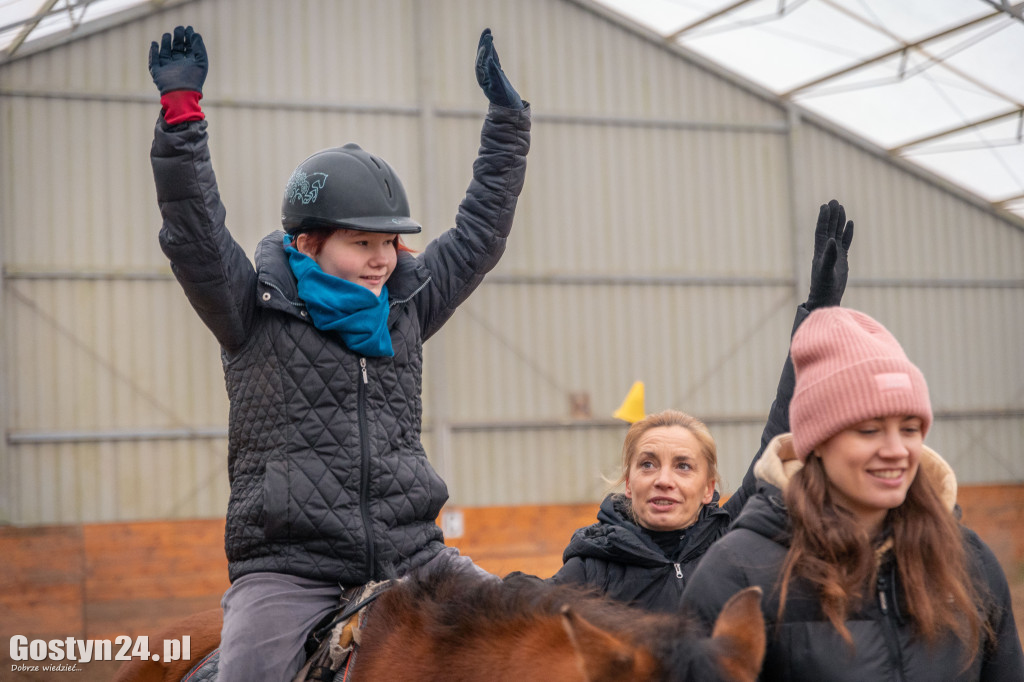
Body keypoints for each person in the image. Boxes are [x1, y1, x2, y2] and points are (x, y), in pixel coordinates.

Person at [147, 25, 529, 682]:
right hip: (289, 572)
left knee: (528, 632)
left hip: (419, 557)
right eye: (361, 243)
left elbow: (481, 229)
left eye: (389, 244)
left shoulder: (408, 304)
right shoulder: (248, 308)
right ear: (308, 244)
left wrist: (508, 122)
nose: (382, 259)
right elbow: (193, 232)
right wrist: (182, 114)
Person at [680, 307, 1024, 680]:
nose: (896, 449)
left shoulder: (969, 561)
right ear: (818, 443)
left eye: (909, 429)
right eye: (869, 430)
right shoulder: (737, 573)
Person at [549, 200, 856, 612]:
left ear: (710, 488)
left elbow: (786, 429)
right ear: (628, 483)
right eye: (647, 464)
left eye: (683, 466)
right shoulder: (589, 571)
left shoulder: (734, 541)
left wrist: (819, 314)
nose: (663, 479)